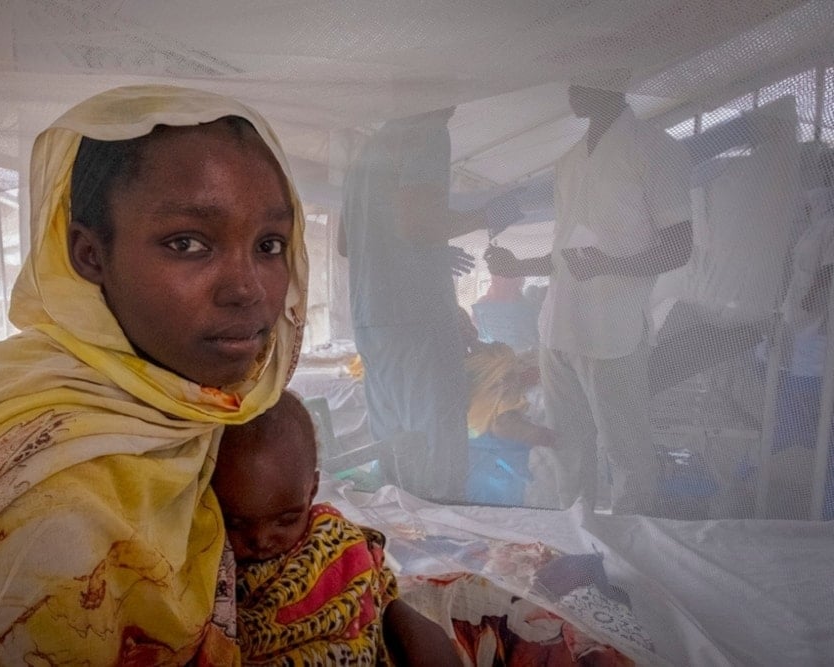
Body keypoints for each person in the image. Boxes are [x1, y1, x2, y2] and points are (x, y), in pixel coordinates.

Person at [0, 85, 309, 665]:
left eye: (270, 244)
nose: (248, 289)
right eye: (187, 243)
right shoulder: (58, 526)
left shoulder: (189, 408)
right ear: (88, 253)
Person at [486, 75, 693, 515]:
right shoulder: (569, 161)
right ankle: (575, 531)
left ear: (611, 81)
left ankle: (631, 538)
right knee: (567, 444)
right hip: (558, 327)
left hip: (613, 329)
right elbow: (565, 255)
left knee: (625, 448)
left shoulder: (656, 150)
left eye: (583, 80)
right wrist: (518, 266)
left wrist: (609, 265)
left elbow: (680, 246)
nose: (570, 91)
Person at [212, 390, 461, 666]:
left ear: (313, 490)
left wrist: (401, 622)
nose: (261, 539)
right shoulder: (207, 563)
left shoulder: (337, 541)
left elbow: (380, 597)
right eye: (234, 523)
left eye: (286, 519)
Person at [337, 107, 486, 501]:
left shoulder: (368, 151)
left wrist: (429, 254)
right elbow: (419, 224)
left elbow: (345, 243)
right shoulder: (428, 132)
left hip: (371, 319)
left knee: (397, 450)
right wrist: (490, 213)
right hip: (415, 317)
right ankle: (447, 549)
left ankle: (398, 551)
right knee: (439, 455)